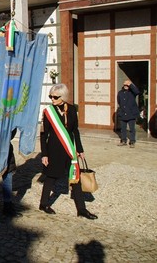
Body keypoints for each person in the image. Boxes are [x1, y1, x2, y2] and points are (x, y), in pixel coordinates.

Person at [39, 83, 97, 220]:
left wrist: (80, 149)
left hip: (69, 149)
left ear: (63, 97)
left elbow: (75, 130)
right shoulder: (48, 112)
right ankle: (44, 204)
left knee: (75, 178)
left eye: (55, 97)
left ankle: (81, 209)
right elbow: (43, 134)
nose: (52, 99)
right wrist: (44, 154)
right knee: (51, 177)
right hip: (54, 150)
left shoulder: (71, 109)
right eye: (50, 96)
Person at [116, 80, 140, 148]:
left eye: (127, 85)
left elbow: (137, 91)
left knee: (132, 129)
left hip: (131, 113)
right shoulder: (120, 92)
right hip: (123, 113)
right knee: (123, 128)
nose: (126, 86)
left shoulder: (132, 92)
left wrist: (131, 84)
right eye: (125, 85)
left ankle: (132, 141)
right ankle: (123, 140)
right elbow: (119, 101)